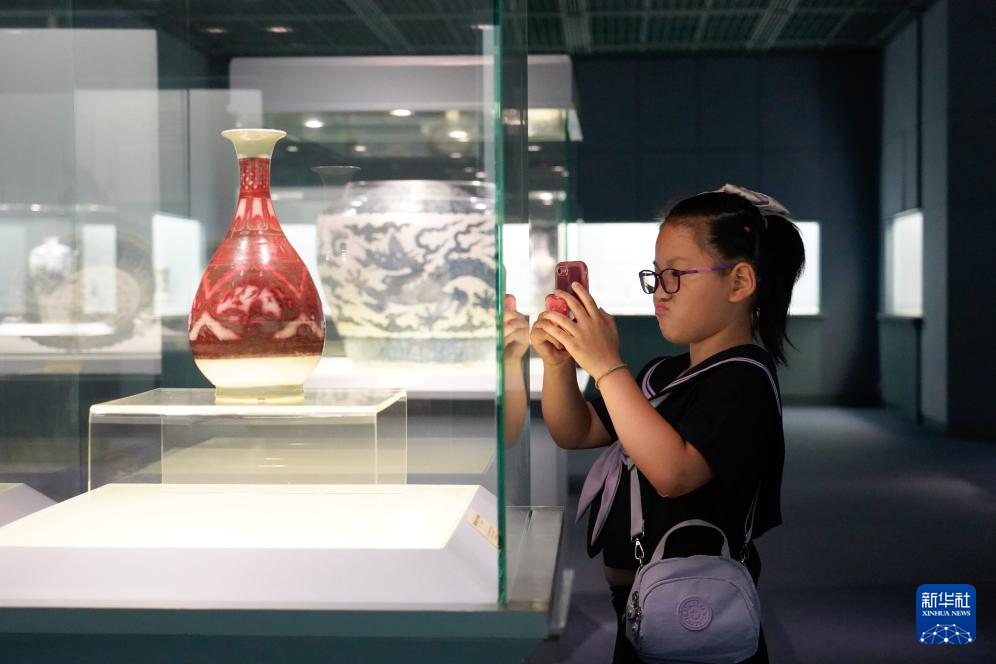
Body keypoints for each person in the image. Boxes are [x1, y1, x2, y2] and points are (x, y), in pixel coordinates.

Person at [530, 185, 805, 663]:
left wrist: (607, 366)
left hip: (697, 612)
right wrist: (560, 365)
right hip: (641, 606)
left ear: (739, 282)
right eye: (656, 275)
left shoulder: (746, 379)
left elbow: (674, 472)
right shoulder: (663, 373)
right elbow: (577, 431)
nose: (659, 291)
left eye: (675, 275)